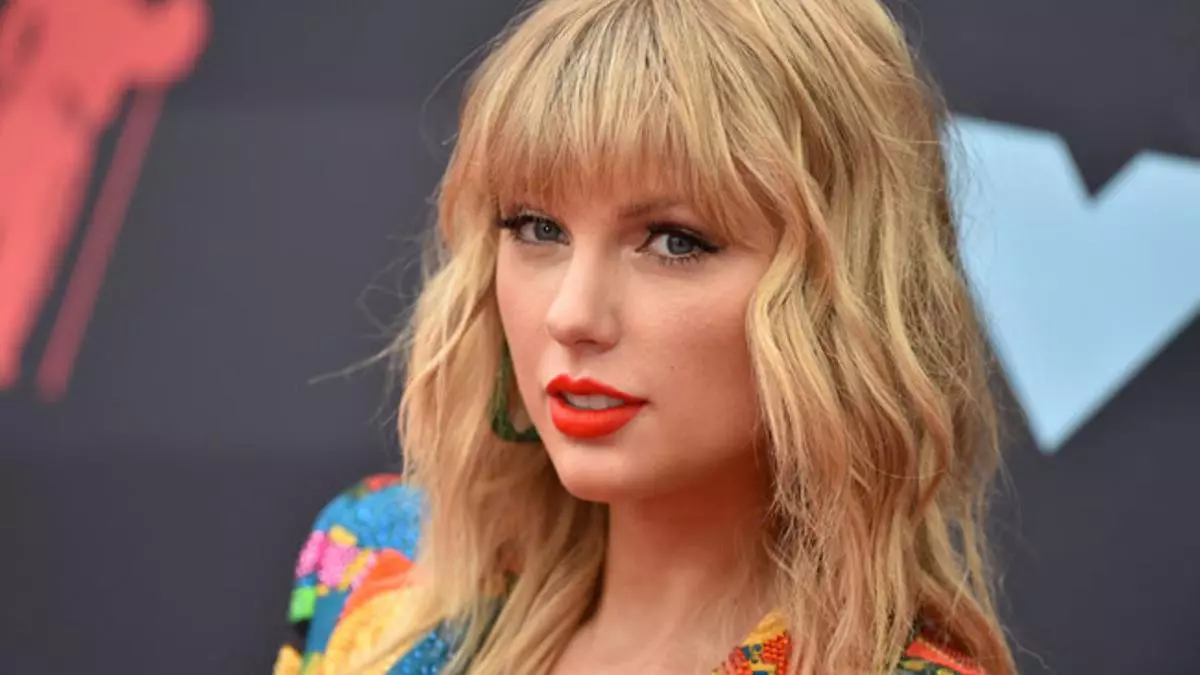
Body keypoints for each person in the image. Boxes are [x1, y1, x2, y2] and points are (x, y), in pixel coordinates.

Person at [272, 0, 1015, 673]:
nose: (571, 314)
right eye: (538, 228)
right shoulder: (376, 564)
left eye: (674, 242)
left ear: (841, 286)